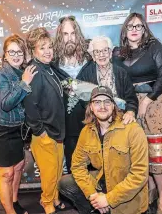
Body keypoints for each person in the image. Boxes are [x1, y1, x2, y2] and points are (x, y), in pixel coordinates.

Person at [114, 12, 162, 214]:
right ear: (125, 30)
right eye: (130, 26)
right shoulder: (118, 53)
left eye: (138, 26)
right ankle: (149, 190)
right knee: (139, 151)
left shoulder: (153, 46)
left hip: (155, 101)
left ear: (144, 29)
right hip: (130, 104)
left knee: (156, 152)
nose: (134, 30)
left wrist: (147, 101)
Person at [59, 86, 149, 214]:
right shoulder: (87, 131)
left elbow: (140, 175)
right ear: (91, 107)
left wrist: (108, 199)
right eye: (97, 102)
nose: (102, 106)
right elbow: (77, 165)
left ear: (113, 106)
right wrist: (92, 195)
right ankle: (98, 208)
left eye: (107, 102)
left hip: (127, 196)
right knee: (66, 183)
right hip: (102, 183)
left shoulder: (133, 130)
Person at [0, 34, 37, 214]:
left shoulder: (22, 73)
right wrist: (25, 83)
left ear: (24, 55)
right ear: (5, 54)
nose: (16, 55)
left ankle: (14, 201)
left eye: (19, 52)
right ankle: (10, 212)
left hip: (18, 129)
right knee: (6, 174)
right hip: (1, 130)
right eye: (12, 52)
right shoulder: (1, 74)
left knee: (18, 168)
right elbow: (7, 104)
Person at [24, 27, 66, 214]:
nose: (48, 51)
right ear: (33, 51)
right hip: (44, 134)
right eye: (42, 48)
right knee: (49, 175)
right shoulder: (34, 71)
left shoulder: (49, 68)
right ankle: (46, 202)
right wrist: (40, 132)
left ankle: (55, 197)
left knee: (56, 171)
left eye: (49, 46)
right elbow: (30, 106)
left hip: (56, 131)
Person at [53, 15, 92, 174]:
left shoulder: (90, 59)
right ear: (60, 37)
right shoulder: (53, 64)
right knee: (72, 170)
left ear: (78, 35)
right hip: (67, 128)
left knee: (92, 168)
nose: (69, 38)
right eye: (65, 34)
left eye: (72, 33)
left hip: (90, 124)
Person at [79, 35, 138, 123]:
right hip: (96, 119)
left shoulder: (121, 72)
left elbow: (131, 99)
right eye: (97, 52)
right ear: (93, 56)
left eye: (105, 50)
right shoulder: (85, 74)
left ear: (110, 53)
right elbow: (83, 101)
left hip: (120, 118)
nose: (101, 55)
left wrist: (130, 112)